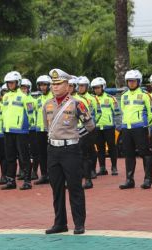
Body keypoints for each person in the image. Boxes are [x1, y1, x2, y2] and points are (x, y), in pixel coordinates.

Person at [44, 68, 94, 235]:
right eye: (53, 84)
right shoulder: (47, 104)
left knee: (74, 187)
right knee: (56, 188)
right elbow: (47, 128)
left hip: (70, 150)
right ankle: (60, 223)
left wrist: (74, 136)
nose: (55, 87)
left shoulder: (76, 103)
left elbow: (90, 126)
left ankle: (79, 223)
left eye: (59, 84)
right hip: (53, 150)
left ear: (67, 85)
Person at [119, 70, 152, 189]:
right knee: (128, 154)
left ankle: (148, 179)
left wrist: (147, 125)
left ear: (139, 81)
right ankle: (129, 180)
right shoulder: (124, 96)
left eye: (133, 81)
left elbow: (151, 112)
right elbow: (123, 111)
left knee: (145, 153)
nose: (131, 83)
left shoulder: (145, 95)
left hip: (140, 128)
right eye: (129, 81)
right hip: (126, 129)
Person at [1, 71, 34, 190]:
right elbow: (4, 113)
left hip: (21, 131)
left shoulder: (25, 97)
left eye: (12, 82)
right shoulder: (5, 96)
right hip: (8, 131)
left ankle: (27, 181)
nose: (10, 85)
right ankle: (11, 181)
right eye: (8, 83)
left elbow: (31, 114)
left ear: (18, 83)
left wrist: (28, 127)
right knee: (9, 157)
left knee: (24, 157)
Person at [91, 77, 120, 176]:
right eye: (94, 88)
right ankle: (102, 168)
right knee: (100, 148)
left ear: (103, 87)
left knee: (112, 147)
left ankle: (114, 167)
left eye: (98, 87)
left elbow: (117, 113)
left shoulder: (111, 98)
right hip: (97, 127)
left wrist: (118, 126)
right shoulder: (92, 99)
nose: (96, 90)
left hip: (109, 127)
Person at [77, 76, 100, 178]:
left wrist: (93, 124)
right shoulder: (75, 98)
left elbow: (98, 112)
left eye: (83, 86)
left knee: (91, 149)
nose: (80, 88)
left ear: (87, 87)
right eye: (79, 86)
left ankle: (92, 170)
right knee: (81, 150)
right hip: (79, 128)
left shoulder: (92, 98)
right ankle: (82, 170)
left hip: (90, 128)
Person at [34, 75, 54, 185]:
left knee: (51, 153)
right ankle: (44, 175)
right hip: (39, 130)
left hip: (51, 130)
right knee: (41, 153)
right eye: (40, 85)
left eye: (45, 85)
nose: (42, 87)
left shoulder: (54, 98)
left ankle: (52, 175)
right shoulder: (38, 99)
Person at [20, 78, 40, 181]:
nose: (23, 90)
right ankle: (24, 171)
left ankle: (34, 171)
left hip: (31, 129)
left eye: (25, 88)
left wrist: (30, 125)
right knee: (23, 152)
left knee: (33, 151)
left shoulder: (31, 100)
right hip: (21, 129)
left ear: (29, 89)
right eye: (21, 88)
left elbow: (31, 115)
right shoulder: (17, 99)